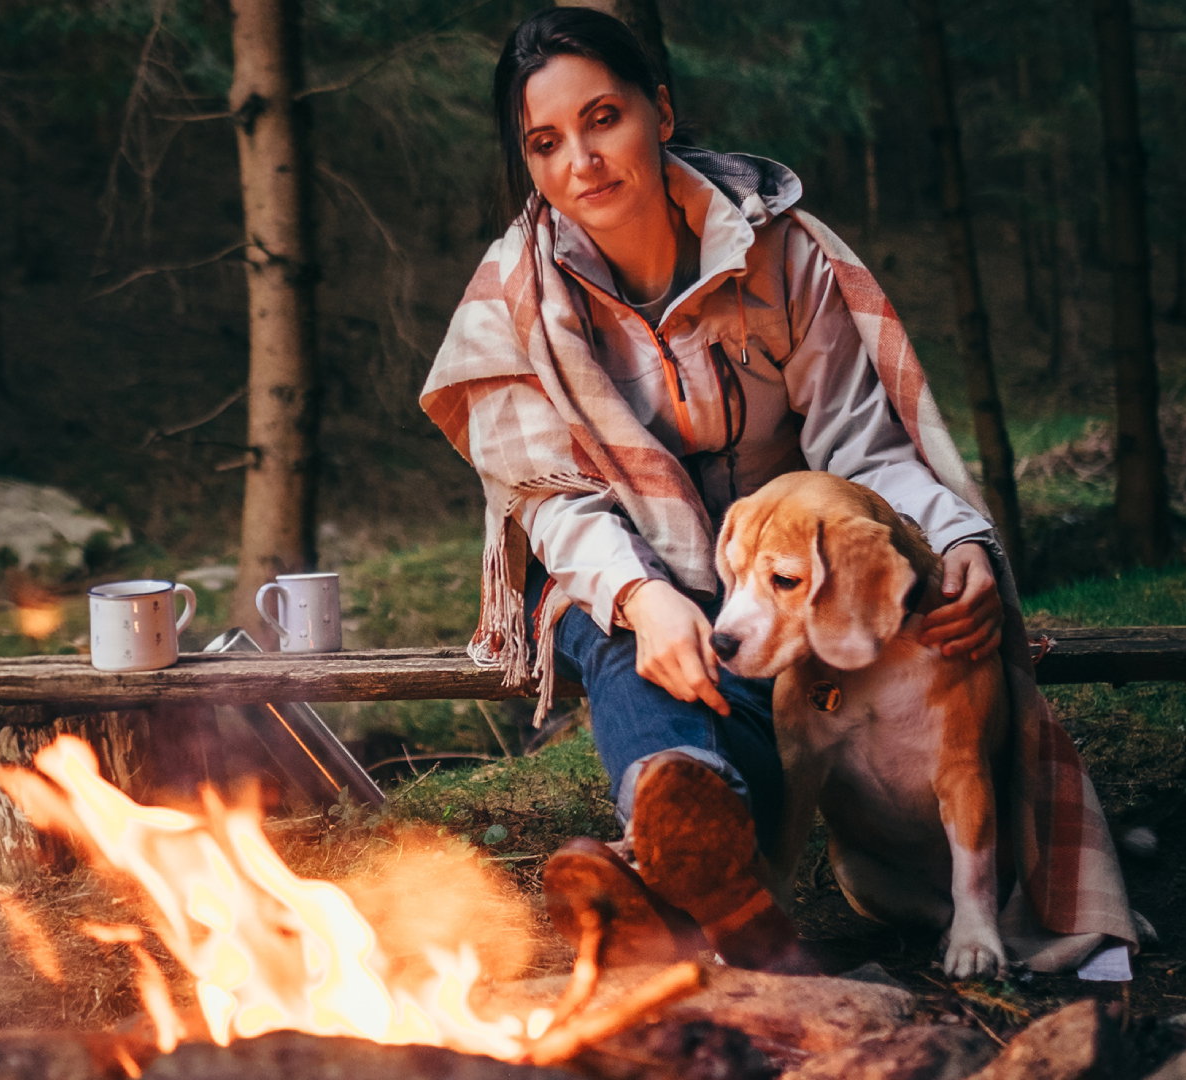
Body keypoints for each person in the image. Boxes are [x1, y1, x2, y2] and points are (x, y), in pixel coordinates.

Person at [420, 8, 1139, 973]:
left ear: (659, 112)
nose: (581, 161)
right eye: (545, 143)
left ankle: (680, 875)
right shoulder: (516, 298)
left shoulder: (780, 253)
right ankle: (681, 815)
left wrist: (956, 539)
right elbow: (553, 501)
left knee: (800, 682)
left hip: (788, 573)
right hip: (620, 568)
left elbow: (862, 449)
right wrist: (647, 597)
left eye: (603, 119)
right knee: (630, 642)